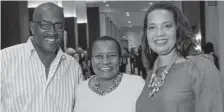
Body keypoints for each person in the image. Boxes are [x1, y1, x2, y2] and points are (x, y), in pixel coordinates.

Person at [136, 2, 223, 112]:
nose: (159, 33)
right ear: (146, 33)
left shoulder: (200, 68)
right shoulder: (152, 74)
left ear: (178, 30)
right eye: (152, 27)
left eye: (167, 26)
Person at [1, 2, 83, 112]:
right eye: (45, 25)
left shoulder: (73, 67)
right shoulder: (4, 59)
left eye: (58, 26)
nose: (53, 32)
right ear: (33, 27)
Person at [74, 36, 145, 112]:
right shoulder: (81, 89)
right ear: (91, 61)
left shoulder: (136, 84)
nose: (105, 61)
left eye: (112, 55)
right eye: (99, 56)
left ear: (120, 59)